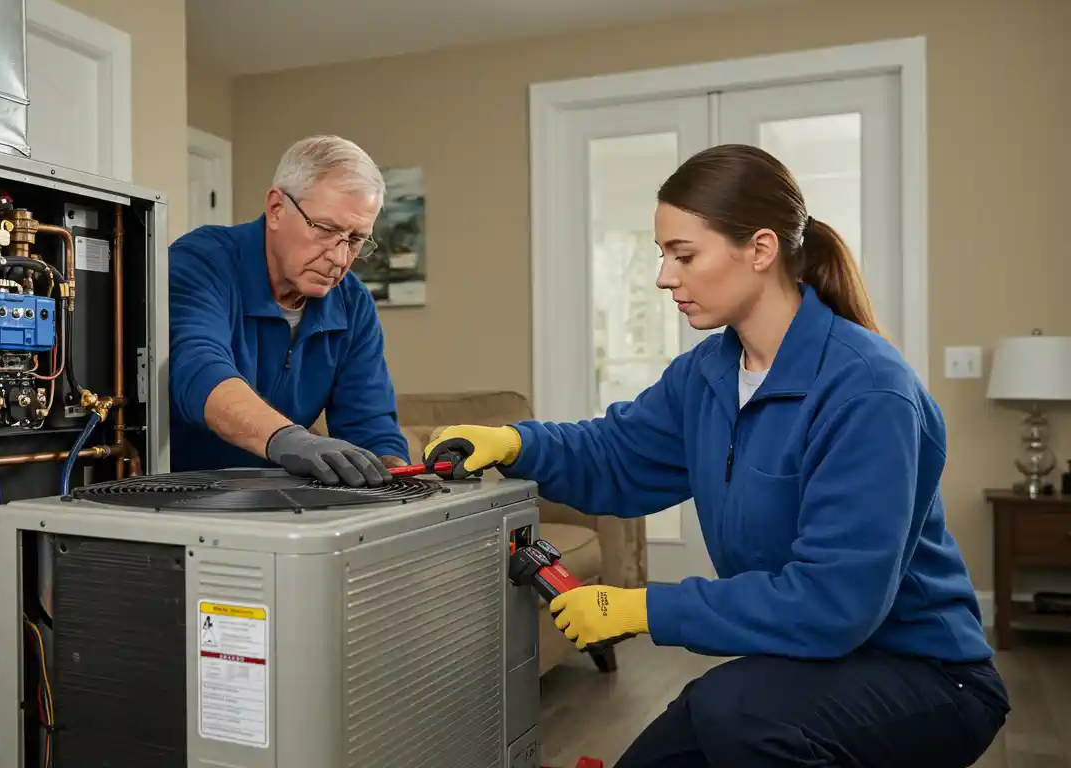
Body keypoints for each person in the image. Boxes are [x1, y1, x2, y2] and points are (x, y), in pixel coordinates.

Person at [425, 144, 1010, 767]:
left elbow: (835, 603)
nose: (664, 276)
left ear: (760, 249)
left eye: (684, 255)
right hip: (809, 664)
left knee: (735, 711)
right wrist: (516, 443)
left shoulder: (867, 390)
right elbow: (618, 457)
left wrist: (640, 608)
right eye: (662, 255)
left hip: (925, 675)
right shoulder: (708, 373)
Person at [168, 135, 409, 487]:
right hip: (176, 494)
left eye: (355, 239)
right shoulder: (202, 260)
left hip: (282, 504)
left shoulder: (352, 301)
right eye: (326, 230)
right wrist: (290, 440)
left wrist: (397, 476)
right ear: (277, 208)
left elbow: (369, 425)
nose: (340, 258)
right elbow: (198, 368)